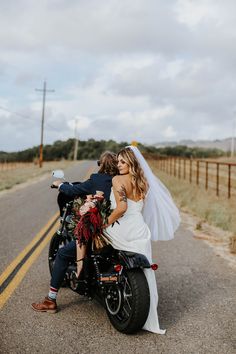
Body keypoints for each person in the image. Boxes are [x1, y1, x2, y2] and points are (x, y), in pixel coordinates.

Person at [105, 146, 180, 334]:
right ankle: (148, 314)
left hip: (122, 228)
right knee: (147, 271)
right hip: (139, 229)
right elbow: (140, 208)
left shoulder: (117, 180)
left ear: (131, 162)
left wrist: (104, 223)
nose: (118, 164)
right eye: (118, 161)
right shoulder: (143, 182)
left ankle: (99, 276)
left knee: (94, 237)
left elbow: (121, 208)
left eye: (123, 161)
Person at [31, 151, 118, 313]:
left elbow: (74, 190)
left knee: (63, 253)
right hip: (119, 231)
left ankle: (50, 300)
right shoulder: (120, 180)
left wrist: (60, 185)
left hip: (99, 231)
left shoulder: (97, 179)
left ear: (101, 164)